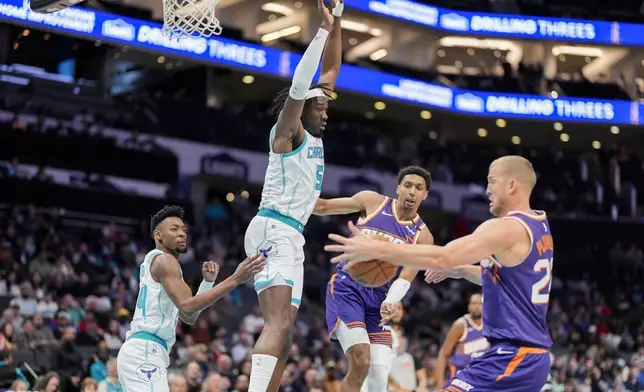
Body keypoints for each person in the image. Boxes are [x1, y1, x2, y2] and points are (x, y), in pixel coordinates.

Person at [325, 155, 554, 392]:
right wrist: (461, 271)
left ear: (511, 185)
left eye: (491, 182)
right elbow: (507, 281)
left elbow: (444, 256)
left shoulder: (506, 227)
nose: (487, 190)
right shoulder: (540, 225)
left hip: (513, 356)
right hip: (531, 358)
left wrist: (378, 249)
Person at [243, 0, 344, 390]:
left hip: (291, 235)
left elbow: (331, 70)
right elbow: (304, 84)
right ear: (301, 109)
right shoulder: (289, 133)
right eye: (319, 106)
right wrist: (319, 31)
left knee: (286, 336)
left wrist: (336, 24)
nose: (326, 111)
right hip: (273, 228)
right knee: (277, 323)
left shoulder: (314, 135)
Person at [117, 205, 265, 392]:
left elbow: (190, 317)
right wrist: (236, 278)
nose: (182, 233)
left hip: (145, 351)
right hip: (145, 351)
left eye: (184, 230)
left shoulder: (162, 264)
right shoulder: (165, 260)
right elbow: (188, 306)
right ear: (158, 235)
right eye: (174, 229)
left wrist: (207, 283)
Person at [313, 166, 434, 392]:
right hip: (346, 288)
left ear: (425, 195)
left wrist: (391, 300)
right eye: (407, 185)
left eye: (418, 188)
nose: (411, 192)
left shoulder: (423, 235)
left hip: (379, 296)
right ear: (398, 188)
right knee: (360, 361)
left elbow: (407, 276)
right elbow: (323, 206)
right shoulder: (373, 202)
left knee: (378, 376)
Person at [435, 293, 488, 388]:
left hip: (482, 374)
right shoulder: (460, 325)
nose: (477, 307)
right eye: (473, 303)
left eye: (480, 304)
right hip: (461, 375)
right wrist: (440, 384)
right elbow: (443, 354)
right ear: (468, 306)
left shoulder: (489, 323)